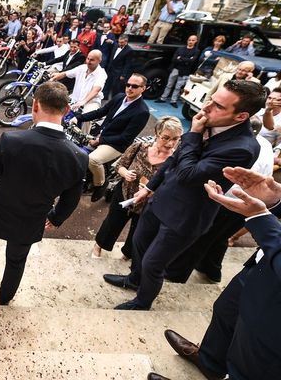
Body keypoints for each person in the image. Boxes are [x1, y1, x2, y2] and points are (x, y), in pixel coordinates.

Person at [103, 80, 266, 310]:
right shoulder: (209, 120)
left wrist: (195, 133)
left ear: (241, 116)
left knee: (153, 263)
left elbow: (189, 174)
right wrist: (149, 189)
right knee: (139, 244)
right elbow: (174, 160)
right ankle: (133, 280)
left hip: (185, 216)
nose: (207, 108)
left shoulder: (242, 147)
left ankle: (142, 302)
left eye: (218, 106)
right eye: (211, 99)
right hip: (160, 200)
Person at [0, 82, 88, 305]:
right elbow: (71, 199)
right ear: (67, 110)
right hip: (32, 220)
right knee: (16, 261)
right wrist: (55, 218)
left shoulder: (12, 141)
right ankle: (5, 299)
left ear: (35, 105)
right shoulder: (79, 156)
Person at [148, 166, 281, 380]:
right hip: (263, 268)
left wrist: (261, 219)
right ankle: (210, 362)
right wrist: (276, 201)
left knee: (251, 365)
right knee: (226, 312)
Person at [164, 116, 273, 284]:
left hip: (228, 203)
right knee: (220, 238)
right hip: (246, 205)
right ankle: (212, 269)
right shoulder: (264, 145)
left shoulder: (242, 149)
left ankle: (176, 274)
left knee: (201, 240)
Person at [91, 116, 183, 259]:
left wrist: (153, 191)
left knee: (138, 230)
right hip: (124, 193)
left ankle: (127, 255)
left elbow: (173, 187)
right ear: (156, 134)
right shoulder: (139, 147)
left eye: (176, 139)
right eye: (165, 138)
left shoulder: (176, 162)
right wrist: (126, 173)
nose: (170, 143)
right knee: (112, 222)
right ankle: (99, 246)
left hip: (148, 203)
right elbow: (119, 165)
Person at [73, 74, 151, 201]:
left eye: (135, 86)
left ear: (143, 88)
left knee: (92, 160)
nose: (130, 88)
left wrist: (100, 140)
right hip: (101, 135)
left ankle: (100, 184)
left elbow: (125, 138)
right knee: (76, 151)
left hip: (116, 144)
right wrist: (78, 117)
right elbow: (101, 112)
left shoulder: (142, 112)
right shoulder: (120, 97)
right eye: (128, 84)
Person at [50, 49, 108, 134]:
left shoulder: (102, 74)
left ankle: (83, 139)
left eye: (92, 60)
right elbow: (66, 73)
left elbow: (96, 90)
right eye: (88, 58)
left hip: (91, 102)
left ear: (99, 60)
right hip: (75, 99)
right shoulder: (82, 68)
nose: (88, 61)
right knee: (57, 106)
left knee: (87, 116)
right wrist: (54, 77)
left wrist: (83, 102)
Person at [156, 34, 200, 107]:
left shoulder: (196, 51)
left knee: (178, 87)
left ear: (196, 41)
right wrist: (186, 60)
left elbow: (192, 61)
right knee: (169, 84)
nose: (190, 42)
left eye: (193, 40)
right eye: (189, 40)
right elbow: (174, 59)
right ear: (187, 40)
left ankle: (173, 100)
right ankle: (163, 98)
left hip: (185, 71)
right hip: (175, 69)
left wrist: (180, 58)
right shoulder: (180, 49)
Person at [102, 34, 134, 99]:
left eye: (122, 42)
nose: (120, 44)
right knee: (107, 83)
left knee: (115, 87)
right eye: (119, 42)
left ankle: (114, 99)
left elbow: (127, 64)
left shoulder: (129, 50)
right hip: (110, 68)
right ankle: (104, 97)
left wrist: (123, 75)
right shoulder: (116, 45)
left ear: (126, 42)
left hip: (118, 71)